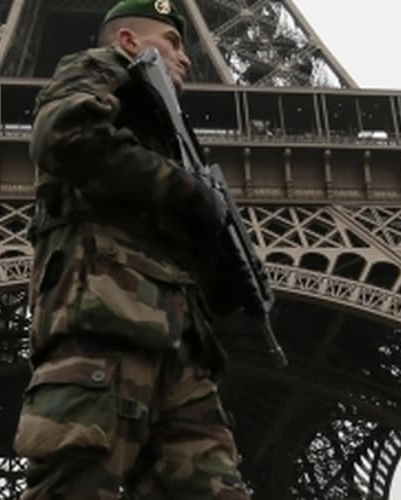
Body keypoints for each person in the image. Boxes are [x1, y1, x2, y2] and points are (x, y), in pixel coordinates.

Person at [13, 1, 250, 498]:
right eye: (172, 42)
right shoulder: (97, 68)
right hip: (107, 329)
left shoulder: (161, 131)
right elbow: (65, 133)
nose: (187, 57)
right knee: (76, 487)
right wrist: (185, 189)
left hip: (180, 349)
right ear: (128, 41)